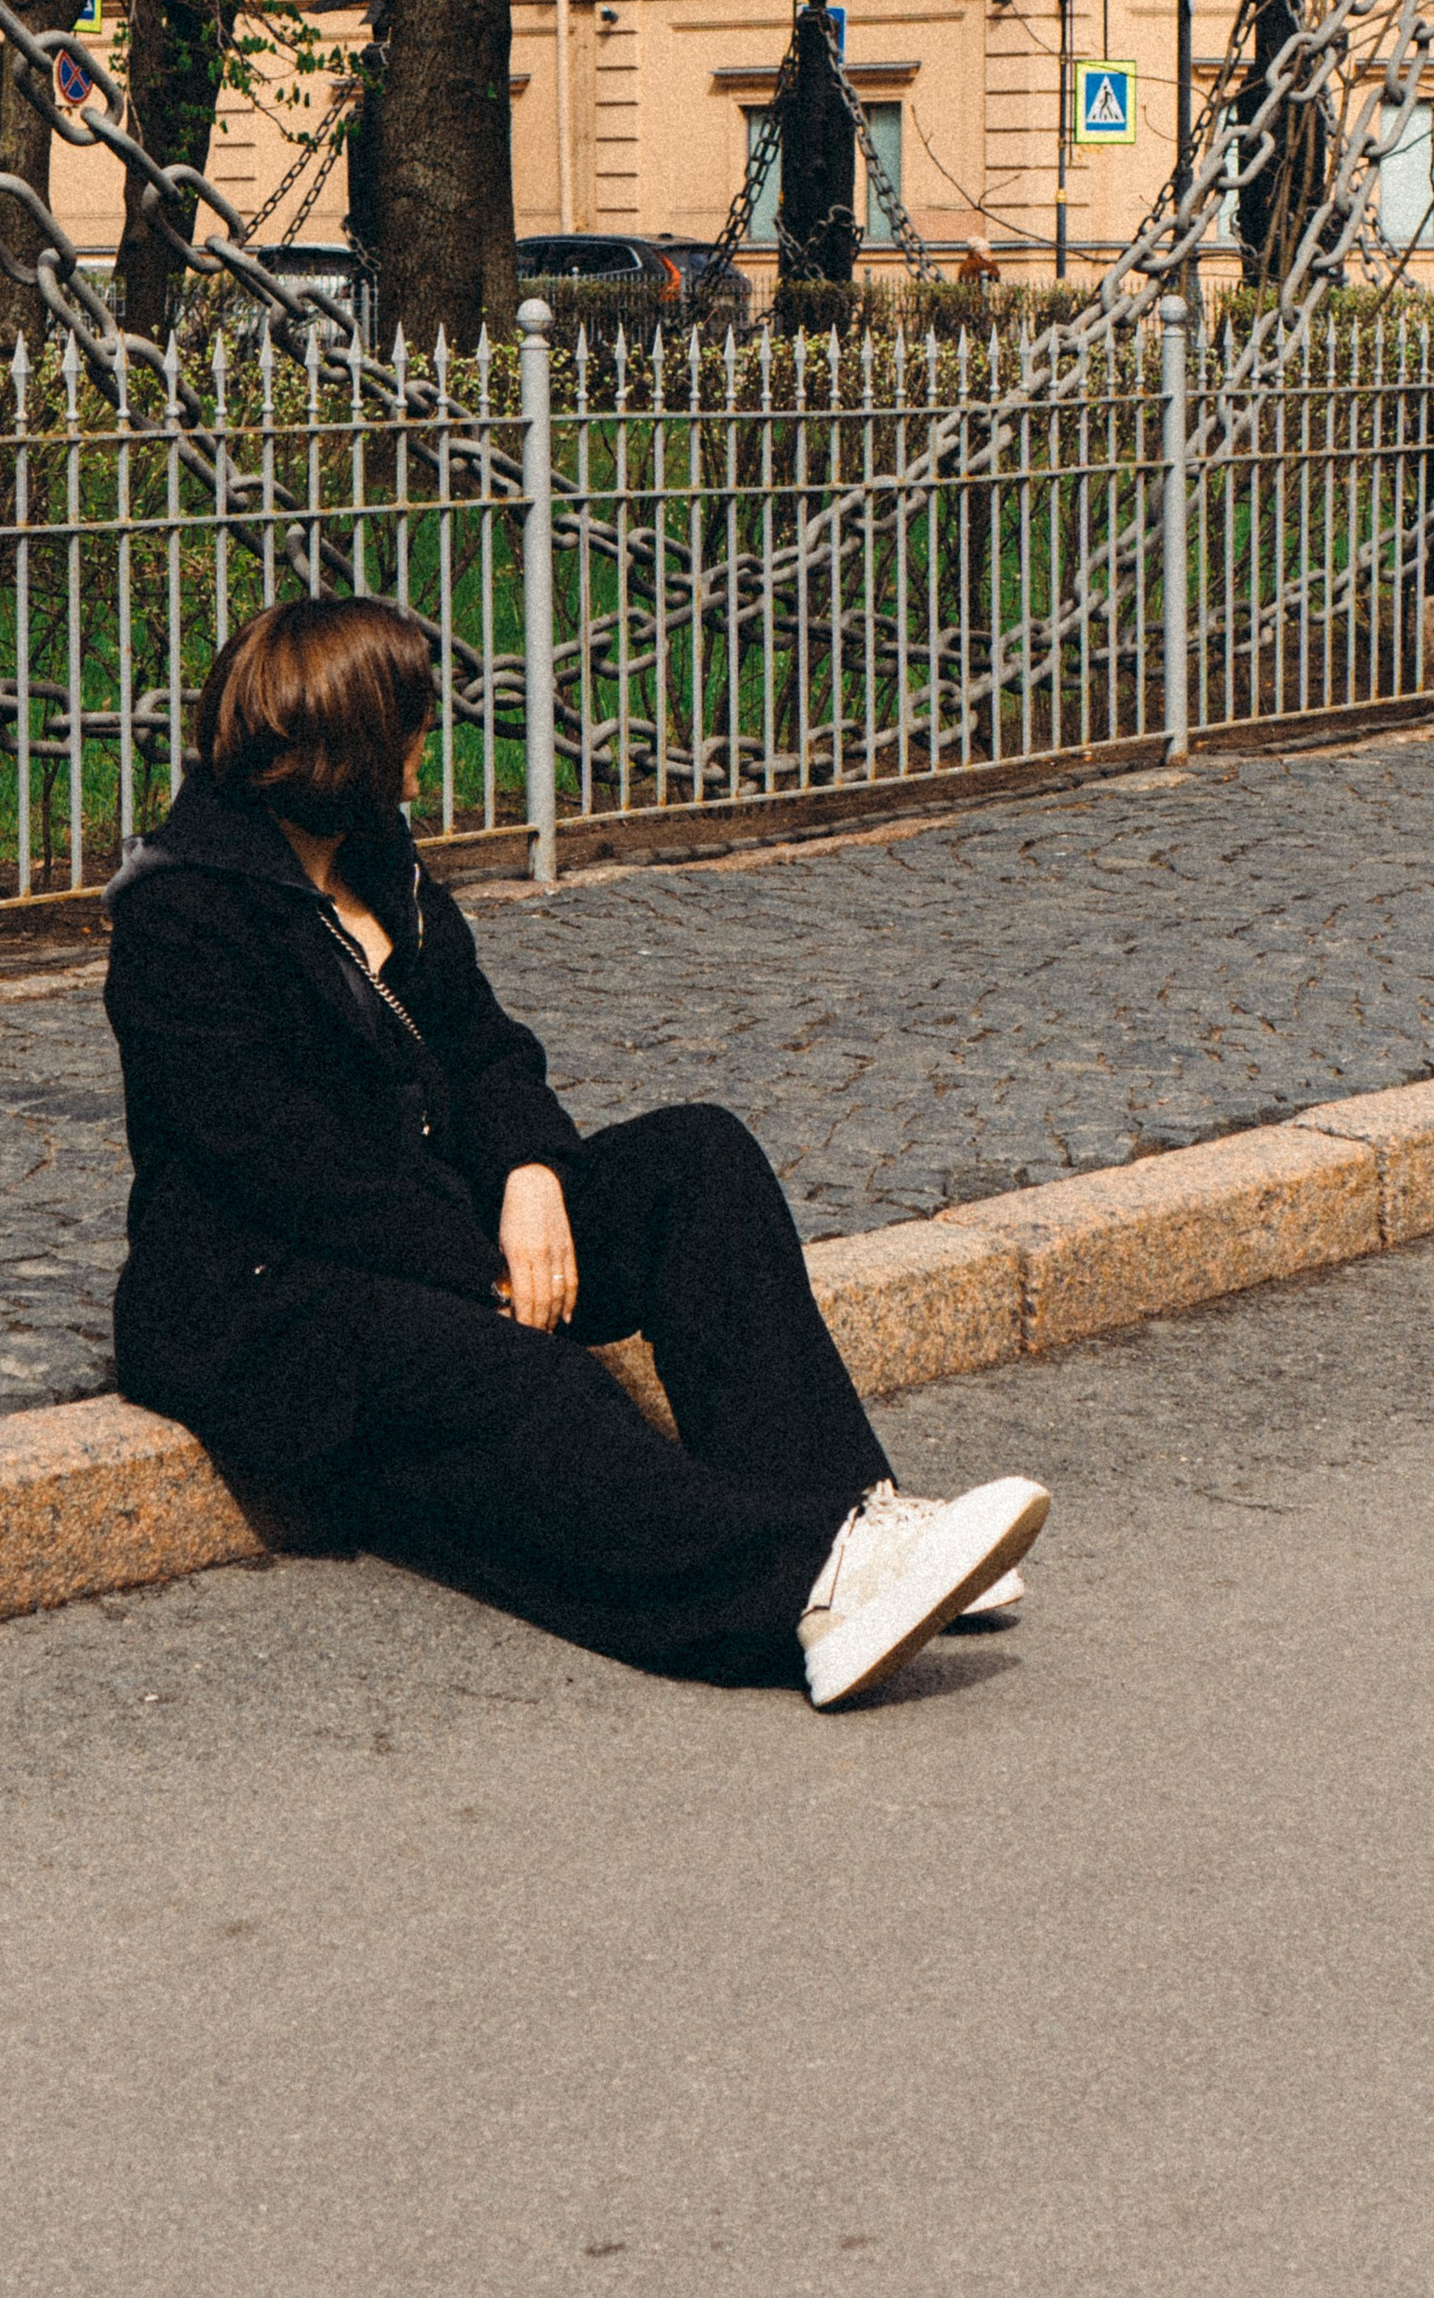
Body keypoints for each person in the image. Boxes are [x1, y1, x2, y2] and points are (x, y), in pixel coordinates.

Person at [103, 595, 1048, 1708]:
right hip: (267, 1299)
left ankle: (849, 1519)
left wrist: (533, 1179)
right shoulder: (183, 919)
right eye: (408, 722)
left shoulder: (379, 866)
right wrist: (482, 1266)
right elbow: (285, 1169)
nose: (426, 746)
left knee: (697, 1161)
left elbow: (488, 1052)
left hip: (437, 1226)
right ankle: (804, 1591)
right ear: (342, 742)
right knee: (524, 1379)